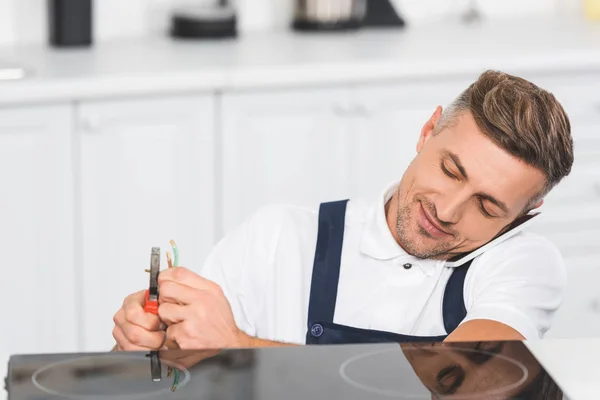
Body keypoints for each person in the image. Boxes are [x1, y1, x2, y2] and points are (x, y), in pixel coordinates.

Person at [112, 70, 574, 352]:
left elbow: (462, 384)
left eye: (487, 206)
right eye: (451, 171)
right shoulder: (277, 238)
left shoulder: (523, 266)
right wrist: (147, 342)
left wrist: (240, 347)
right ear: (428, 131)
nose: (449, 211)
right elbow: (188, 375)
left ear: (522, 217)